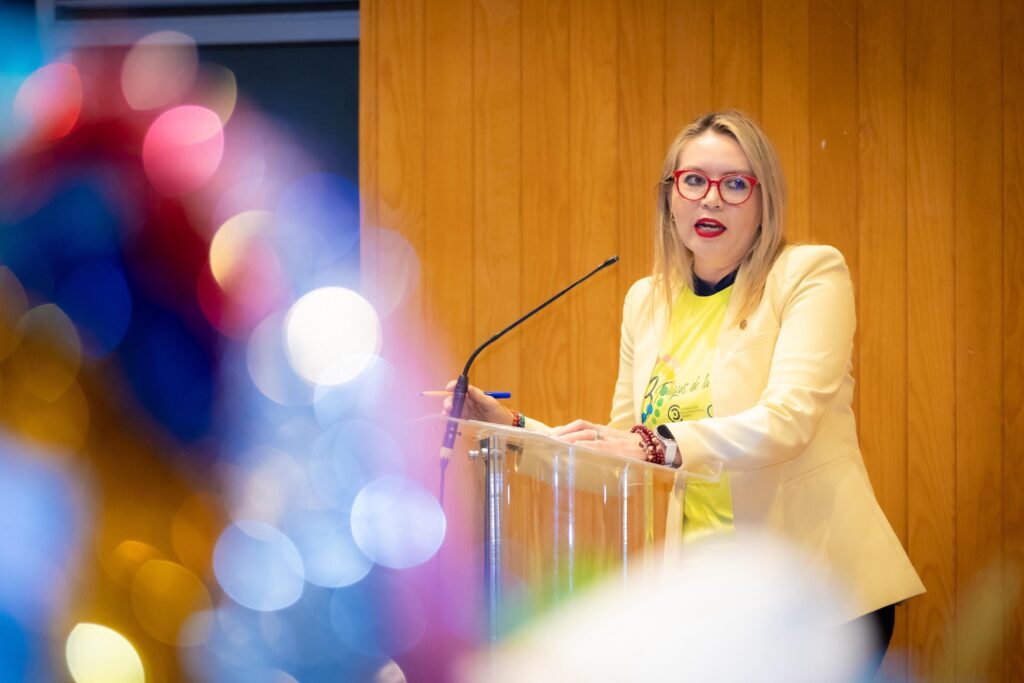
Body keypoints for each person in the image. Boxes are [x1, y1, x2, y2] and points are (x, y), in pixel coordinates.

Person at [443, 110, 924, 672]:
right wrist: (512, 428)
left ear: (764, 200)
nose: (711, 199)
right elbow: (620, 454)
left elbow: (788, 419)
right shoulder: (647, 302)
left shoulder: (807, 274)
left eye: (735, 184)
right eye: (693, 180)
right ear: (670, 197)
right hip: (710, 598)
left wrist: (660, 445)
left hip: (815, 590)